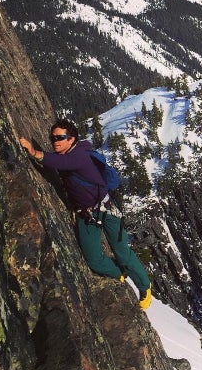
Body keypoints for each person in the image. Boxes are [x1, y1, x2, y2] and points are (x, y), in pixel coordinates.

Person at [20, 119, 152, 310]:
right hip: (87, 214)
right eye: (52, 137)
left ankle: (144, 286)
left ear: (71, 139)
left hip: (107, 210)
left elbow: (59, 162)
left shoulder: (78, 155)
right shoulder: (71, 153)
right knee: (94, 260)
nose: (54, 141)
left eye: (60, 137)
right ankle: (119, 272)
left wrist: (33, 152)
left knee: (122, 251)